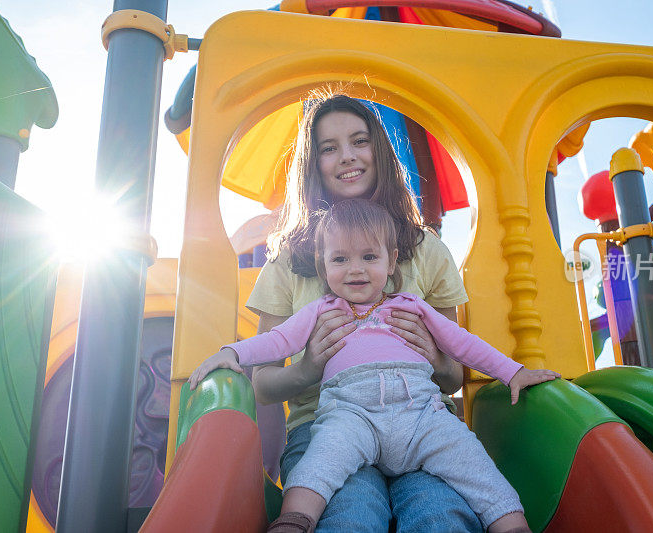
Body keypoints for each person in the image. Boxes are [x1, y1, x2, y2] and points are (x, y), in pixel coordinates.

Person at [190, 93, 503, 532]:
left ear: (379, 149)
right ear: (312, 163)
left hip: (420, 423)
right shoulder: (288, 262)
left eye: (359, 141)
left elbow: (455, 375)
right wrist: (310, 366)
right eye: (328, 147)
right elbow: (263, 385)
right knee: (351, 516)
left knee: (440, 515)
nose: (347, 157)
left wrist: (435, 359)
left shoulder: (426, 250)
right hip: (326, 427)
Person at [189, 199, 561, 532]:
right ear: (323, 264)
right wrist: (233, 353)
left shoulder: (410, 306)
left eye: (369, 257)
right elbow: (278, 340)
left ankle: (512, 525)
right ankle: (293, 523)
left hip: (420, 412)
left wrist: (513, 372)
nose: (356, 270)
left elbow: (462, 343)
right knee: (319, 463)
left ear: (391, 258)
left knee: (474, 465)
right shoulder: (321, 310)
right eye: (340, 259)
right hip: (351, 412)